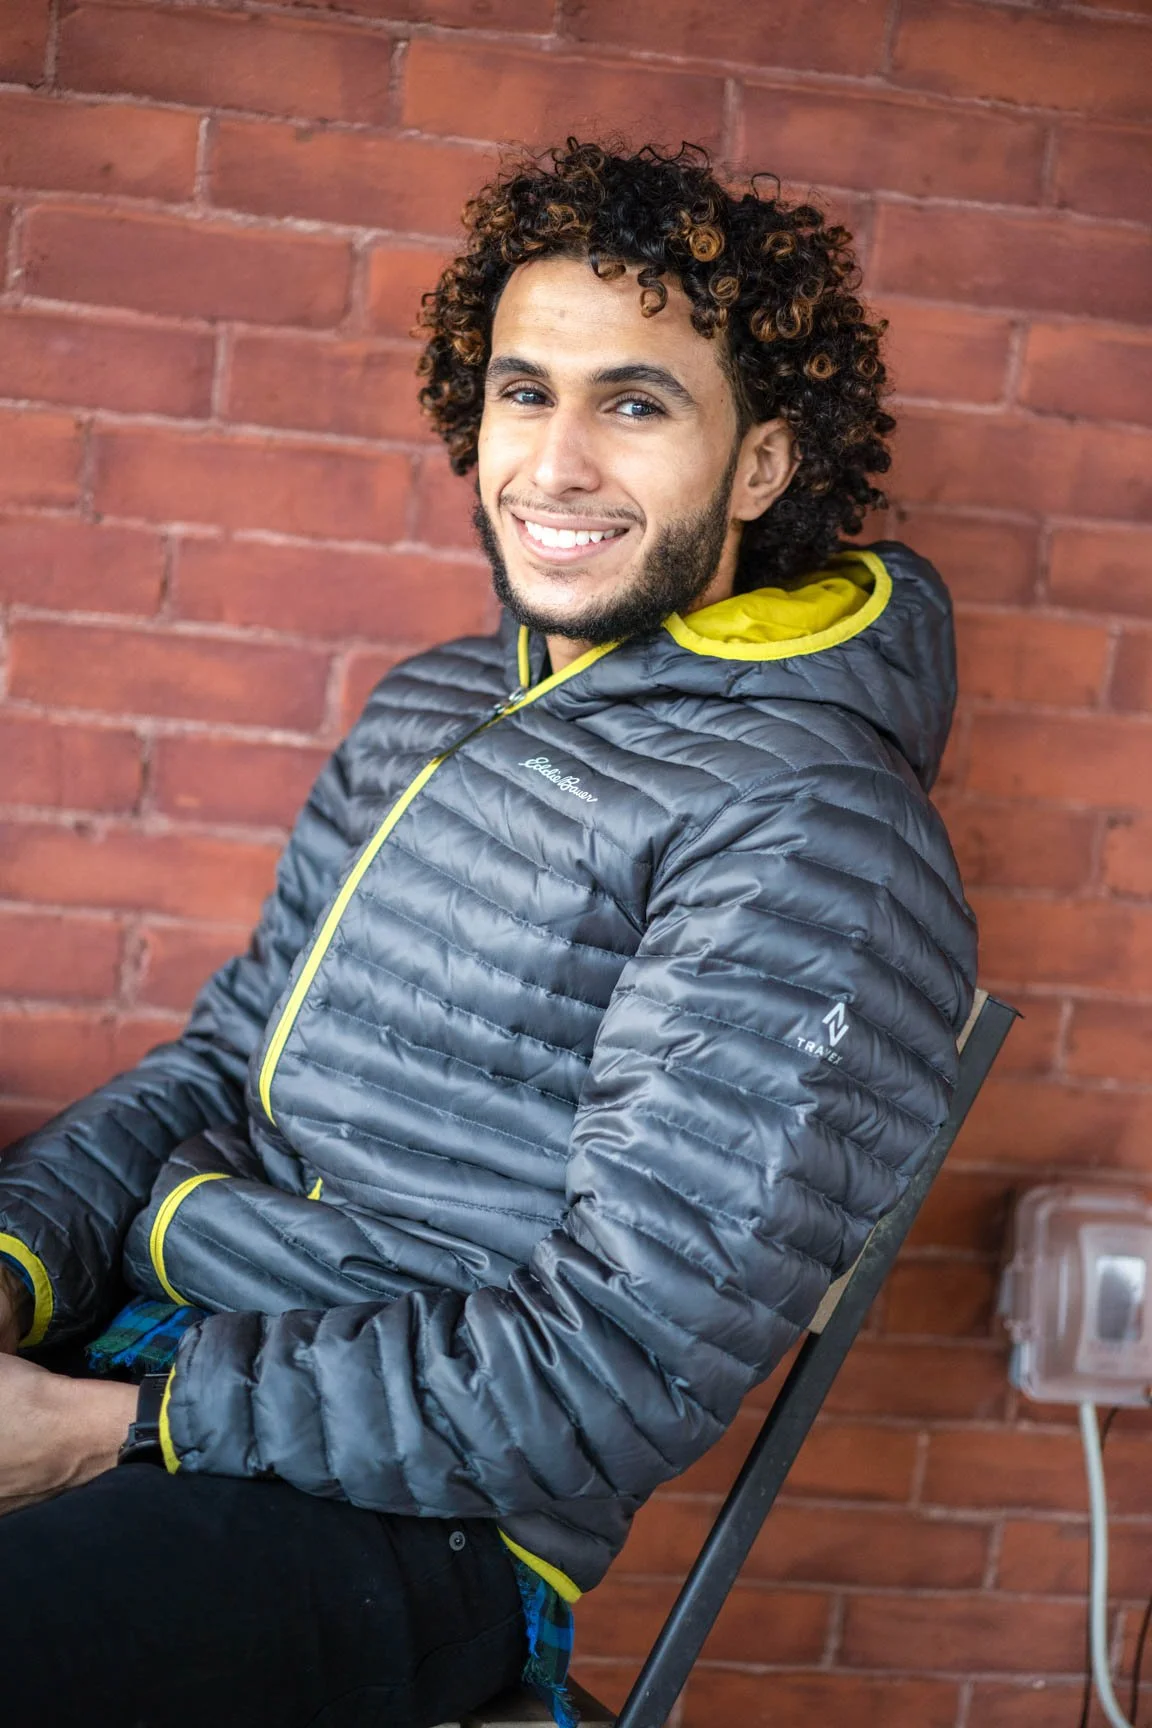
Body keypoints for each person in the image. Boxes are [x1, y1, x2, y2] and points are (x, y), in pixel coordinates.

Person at [0, 139, 977, 1727]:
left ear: (761, 466)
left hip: (418, 1526)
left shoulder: (817, 831)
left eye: (636, 405)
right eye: (525, 394)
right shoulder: (432, 710)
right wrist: (14, 1266)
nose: (556, 464)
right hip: (149, 1348)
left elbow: (616, 1366)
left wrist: (102, 1430)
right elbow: (222, 1066)